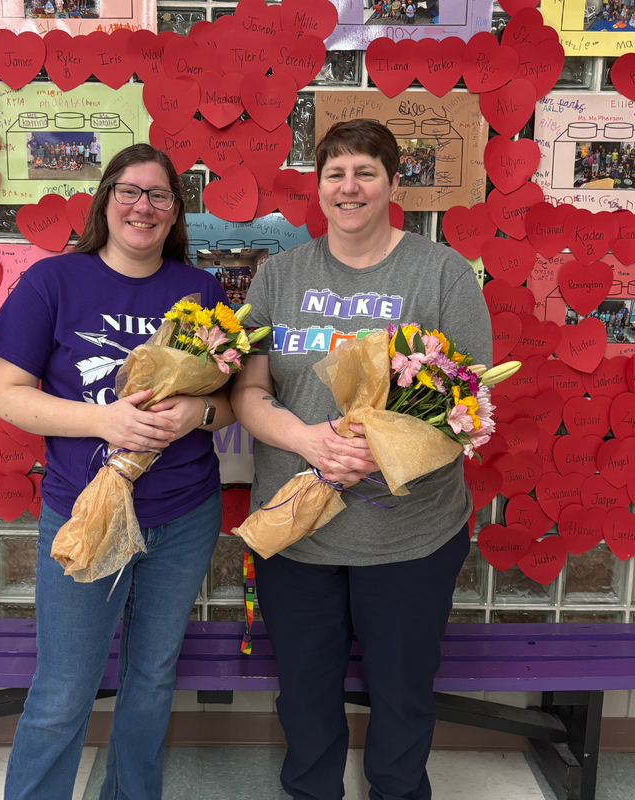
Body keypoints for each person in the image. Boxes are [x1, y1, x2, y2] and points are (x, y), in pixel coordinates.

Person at [231, 119, 492, 800]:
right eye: (335, 174)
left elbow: (470, 405)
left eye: (365, 172)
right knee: (305, 696)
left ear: (392, 183)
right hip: (297, 530)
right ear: (318, 188)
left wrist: (377, 454)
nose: (350, 187)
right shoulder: (280, 276)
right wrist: (308, 442)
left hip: (411, 533)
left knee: (403, 698)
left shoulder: (441, 274)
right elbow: (249, 391)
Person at [0, 143, 235, 800]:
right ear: (106, 199)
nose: (142, 207)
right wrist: (103, 422)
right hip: (85, 511)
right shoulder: (52, 281)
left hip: (184, 514)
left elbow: (230, 401)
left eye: (158, 195)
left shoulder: (201, 289)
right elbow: (7, 395)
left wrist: (198, 414)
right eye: (129, 191)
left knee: (150, 680)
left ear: (176, 210)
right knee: (66, 688)